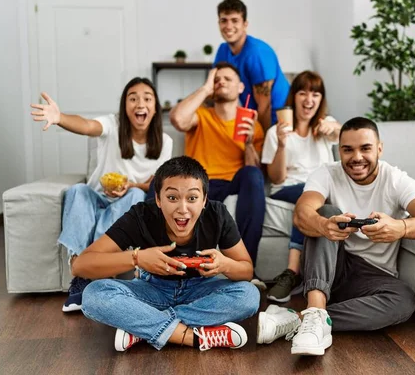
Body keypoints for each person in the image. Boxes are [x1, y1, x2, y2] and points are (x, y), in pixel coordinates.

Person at [255, 117, 415, 355]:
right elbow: (302, 213)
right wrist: (324, 225)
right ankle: (316, 308)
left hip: (372, 277)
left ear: (379, 148)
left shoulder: (396, 179)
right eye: (348, 150)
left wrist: (401, 227)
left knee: (404, 301)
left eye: (365, 148)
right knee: (326, 212)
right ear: (339, 151)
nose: (357, 157)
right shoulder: (326, 173)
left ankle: (300, 320)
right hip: (331, 266)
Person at [76, 156, 259, 352]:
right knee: (93, 294)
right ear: (158, 199)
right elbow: (81, 265)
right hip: (152, 290)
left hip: (199, 293)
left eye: (192, 198)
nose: (183, 209)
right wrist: (137, 258)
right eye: (172, 198)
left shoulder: (217, 214)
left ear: (204, 200)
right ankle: (189, 337)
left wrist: (225, 265)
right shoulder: (141, 216)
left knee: (249, 295)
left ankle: (142, 328)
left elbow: (246, 270)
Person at [30, 77, 173, 312]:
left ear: (155, 107)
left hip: (129, 198)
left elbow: (158, 185)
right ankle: (81, 271)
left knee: (136, 198)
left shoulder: (164, 142)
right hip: (98, 198)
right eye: (133, 98)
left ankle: (88, 273)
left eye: (147, 98)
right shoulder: (112, 125)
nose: (140, 103)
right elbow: (86, 125)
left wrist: (132, 186)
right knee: (77, 190)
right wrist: (60, 118)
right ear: (124, 106)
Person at [170, 62, 266, 287]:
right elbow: (177, 119)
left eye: (227, 79)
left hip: (233, 182)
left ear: (241, 87)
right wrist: (205, 88)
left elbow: (255, 172)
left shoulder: (252, 124)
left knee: (252, 174)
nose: (220, 81)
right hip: (200, 182)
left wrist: (250, 143)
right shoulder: (201, 116)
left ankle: (245, 269)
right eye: (216, 79)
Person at [261, 71, 341, 303]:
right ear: (293, 97)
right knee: (308, 195)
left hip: (321, 191)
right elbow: (276, 178)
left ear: (321, 99)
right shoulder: (275, 133)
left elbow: (347, 134)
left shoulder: (325, 126)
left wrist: (334, 129)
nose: (309, 100)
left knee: (319, 202)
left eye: (315, 94)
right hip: (289, 188)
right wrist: (281, 146)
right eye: (303, 93)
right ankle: (292, 271)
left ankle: (318, 279)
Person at [214, 0, 290, 132]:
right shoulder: (222, 51)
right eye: (224, 20)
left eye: (235, 20)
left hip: (278, 121)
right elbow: (215, 90)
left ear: (245, 24)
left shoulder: (257, 53)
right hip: (251, 118)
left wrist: (261, 143)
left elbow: (265, 105)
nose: (229, 26)